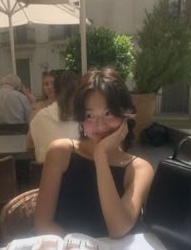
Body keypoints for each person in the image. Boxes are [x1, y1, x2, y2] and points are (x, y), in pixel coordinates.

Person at [35, 67, 154, 238]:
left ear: (126, 113)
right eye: (89, 116)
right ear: (81, 119)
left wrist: (101, 156)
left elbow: (118, 228)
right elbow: (42, 225)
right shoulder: (61, 152)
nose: (99, 125)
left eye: (108, 113)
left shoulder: (139, 169)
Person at [27, 70, 79, 162]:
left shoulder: (40, 115)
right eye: (46, 84)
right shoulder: (82, 117)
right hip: (75, 172)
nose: (50, 87)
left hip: (43, 172)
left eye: (52, 83)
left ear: (56, 89)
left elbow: (29, 145)